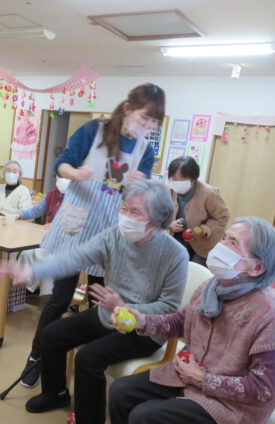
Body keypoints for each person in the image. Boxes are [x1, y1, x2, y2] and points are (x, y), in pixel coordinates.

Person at [0, 180, 189, 424]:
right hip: (107, 314)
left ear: (157, 220)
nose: (125, 217)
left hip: (144, 329)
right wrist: (31, 271)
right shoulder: (114, 236)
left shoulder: (175, 253)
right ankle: (56, 393)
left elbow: (168, 308)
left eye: (135, 212)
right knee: (52, 334)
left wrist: (126, 308)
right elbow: (75, 258)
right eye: (124, 208)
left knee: (88, 359)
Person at [92, 217, 275, 424]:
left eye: (233, 243)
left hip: (232, 405)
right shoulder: (211, 288)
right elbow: (181, 322)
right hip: (192, 375)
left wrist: (203, 379)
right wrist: (142, 320)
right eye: (224, 237)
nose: (221, 245)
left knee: (146, 419)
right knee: (122, 392)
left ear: (257, 266)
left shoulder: (270, 315)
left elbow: (262, 389)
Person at [19, 83, 166, 388]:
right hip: (77, 223)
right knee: (59, 300)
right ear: (128, 109)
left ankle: (88, 365)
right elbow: (62, 164)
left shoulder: (145, 151)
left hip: (111, 229)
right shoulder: (94, 130)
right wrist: (75, 173)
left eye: (153, 122)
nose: (147, 126)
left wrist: (140, 185)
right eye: (144, 118)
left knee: (100, 304)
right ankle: (37, 358)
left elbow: (141, 200)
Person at [167, 156, 229, 267]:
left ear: (193, 179)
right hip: (177, 240)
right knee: (175, 269)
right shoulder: (170, 191)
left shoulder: (209, 193)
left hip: (203, 246)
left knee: (195, 271)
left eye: (182, 180)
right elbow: (158, 214)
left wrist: (204, 229)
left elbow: (222, 217)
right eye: (174, 179)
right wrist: (170, 224)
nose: (177, 183)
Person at [16, 176, 71, 296]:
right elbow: (36, 211)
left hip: (66, 240)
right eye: (59, 175)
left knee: (46, 258)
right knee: (26, 253)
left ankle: (46, 294)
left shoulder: (79, 197)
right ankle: (26, 288)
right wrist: (19, 215)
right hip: (48, 237)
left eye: (65, 176)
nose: (62, 179)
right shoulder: (51, 195)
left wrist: (57, 226)